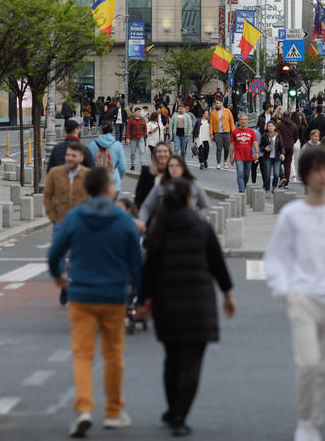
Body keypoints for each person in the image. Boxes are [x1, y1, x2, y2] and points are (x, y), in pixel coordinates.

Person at [263, 148, 325, 441]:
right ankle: (305, 421)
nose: (321, 176)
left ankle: (315, 420)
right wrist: (285, 291)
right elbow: (275, 257)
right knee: (308, 363)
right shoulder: (293, 213)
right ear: (305, 175)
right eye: (315, 170)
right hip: (302, 297)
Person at [47, 168, 142, 437]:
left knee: (83, 354)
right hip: (114, 295)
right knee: (113, 355)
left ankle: (84, 409)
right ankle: (113, 411)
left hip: (81, 295)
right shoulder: (123, 220)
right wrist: (142, 297)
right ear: (109, 189)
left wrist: (58, 276)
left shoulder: (75, 216)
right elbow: (136, 263)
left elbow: (55, 252)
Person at [140, 178, 235, 436]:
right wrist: (227, 294)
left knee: (172, 358)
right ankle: (180, 415)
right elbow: (217, 264)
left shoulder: (159, 229)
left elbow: (149, 270)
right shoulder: (201, 228)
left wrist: (144, 300)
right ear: (188, 200)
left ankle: (172, 408)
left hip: (166, 304)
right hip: (198, 303)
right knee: (192, 363)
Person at [45, 142, 91, 306]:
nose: (70, 158)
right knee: (59, 256)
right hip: (61, 222)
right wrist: (53, 216)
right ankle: (64, 283)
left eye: (73, 156)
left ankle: (76, 286)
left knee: (79, 257)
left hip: (82, 224)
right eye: (68, 155)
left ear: (81, 158)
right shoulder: (55, 173)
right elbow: (47, 196)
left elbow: (94, 198)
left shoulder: (88, 175)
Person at [137, 155, 210, 227]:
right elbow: (147, 207)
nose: (174, 168)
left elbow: (205, 206)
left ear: (183, 168)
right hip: (166, 228)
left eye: (178, 165)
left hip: (188, 228)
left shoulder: (194, 185)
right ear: (167, 168)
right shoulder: (161, 186)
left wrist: (196, 218)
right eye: (171, 166)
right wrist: (142, 220)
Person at [87, 125, 127, 193]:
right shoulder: (117, 145)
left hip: (97, 182)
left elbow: (88, 164)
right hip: (113, 182)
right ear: (113, 131)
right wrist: (118, 177)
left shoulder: (92, 145)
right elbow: (122, 167)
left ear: (100, 130)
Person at [135, 142, 172, 210]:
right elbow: (139, 196)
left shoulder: (174, 172)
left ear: (170, 154)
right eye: (159, 151)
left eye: (165, 151)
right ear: (154, 154)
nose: (162, 154)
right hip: (150, 213)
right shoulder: (146, 171)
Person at [229, 114, 259, 193]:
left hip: (248, 156)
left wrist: (256, 152)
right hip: (238, 156)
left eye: (245, 119)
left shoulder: (251, 132)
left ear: (247, 121)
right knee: (240, 173)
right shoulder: (234, 132)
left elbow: (255, 142)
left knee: (246, 174)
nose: (243, 121)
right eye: (242, 119)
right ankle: (242, 191)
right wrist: (231, 157)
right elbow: (232, 145)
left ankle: (243, 186)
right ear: (239, 121)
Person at [259, 120, 285, 197]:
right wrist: (265, 149)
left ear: (274, 127)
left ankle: (274, 187)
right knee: (267, 175)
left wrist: (282, 154)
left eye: (271, 126)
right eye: (269, 126)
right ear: (267, 127)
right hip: (267, 158)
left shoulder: (278, 135)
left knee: (276, 174)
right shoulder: (264, 136)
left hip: (276, 158)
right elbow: (261, 147)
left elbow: (282, 146)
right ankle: (267, 190)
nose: (270, 127)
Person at [209, 99, 235, 169]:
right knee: (219, 148)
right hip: (217, 133)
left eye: (217, 103)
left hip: (226, 132)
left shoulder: (227, 111)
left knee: (226, 148)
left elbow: (232, 122)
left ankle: (225, 161)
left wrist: (233, 132)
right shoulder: (213, 112)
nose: (216, 105)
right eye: (215, 103)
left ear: (221, 104)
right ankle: (218, 163)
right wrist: (211, 134)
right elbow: (211, 123)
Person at [276, 113, 299, 188]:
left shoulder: (279, 125)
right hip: (290, 146)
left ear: (283, 116)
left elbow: (276, 135)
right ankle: (286, 182)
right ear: (289, 116)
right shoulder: (294, 125)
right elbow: (296, 137)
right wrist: (292, 142)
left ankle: (282, 177)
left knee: (278, 163)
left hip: (281, 147)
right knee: (288, 164)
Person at [125, 106, 147, 171]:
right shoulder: (131, 120)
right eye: (137, 112)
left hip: (141, 138)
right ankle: (132, 165)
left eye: (140, 112)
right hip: (133, 138)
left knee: (142, 152)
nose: (139, 113)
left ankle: (143, 165)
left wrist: (143, 135)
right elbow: (128, 129)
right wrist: (127, 138)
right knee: (133, 153)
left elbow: (145, 129)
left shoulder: (143, 119)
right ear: (134, 112)